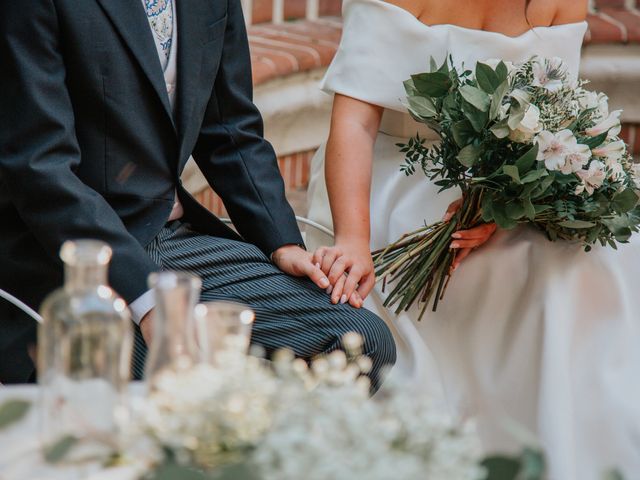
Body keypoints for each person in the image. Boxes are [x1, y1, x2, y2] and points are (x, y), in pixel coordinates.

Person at [306, 0, 640, 477]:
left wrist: (506, 205)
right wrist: (353, 239)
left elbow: (551, 119)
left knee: (585, 260)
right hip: (391, 173)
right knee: (511, 270)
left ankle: (575, 443)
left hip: (500, 181)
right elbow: (355, 124)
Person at [0, 0, 396, 390]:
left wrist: (283, 243)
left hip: (176, 241)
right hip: (69, 260)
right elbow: (41, 169)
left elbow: (230, 130)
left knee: (361, 343)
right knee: (163, 382)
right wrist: (150, 300)